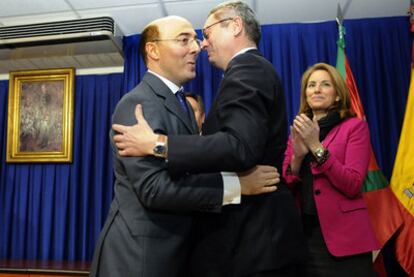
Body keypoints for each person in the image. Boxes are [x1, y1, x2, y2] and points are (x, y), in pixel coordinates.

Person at [112, 1, 305, 276]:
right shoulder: (137, 104)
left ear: (236, 26)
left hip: (250, 244)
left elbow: (236, 147)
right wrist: (236, 186)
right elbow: (155, 188)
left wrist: (158, 144)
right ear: (153, 50)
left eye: (203, 34)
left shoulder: (245, 71)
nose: (199, 46)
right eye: (185, 39)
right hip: (146, 257)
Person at [282, 63, 380, 276]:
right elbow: (287, 188)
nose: (316, 89)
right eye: (311, 85)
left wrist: (316, 146)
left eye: (325, 84)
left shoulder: (354, 127)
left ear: (337, 95)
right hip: (305, 238)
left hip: (345, 241)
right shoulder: (298, 131)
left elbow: (352, 184)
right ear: (305, 94)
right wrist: (297, 157)